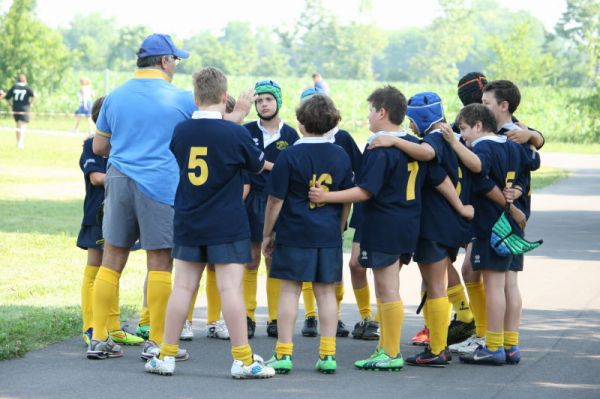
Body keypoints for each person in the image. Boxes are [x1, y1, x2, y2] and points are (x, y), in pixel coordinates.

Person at [144, 66, 274, 378]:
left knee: (183, 288)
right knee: (230, 288)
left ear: (195, 96)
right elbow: (256, 165)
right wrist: (239, 117)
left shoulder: (182, 131)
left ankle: (166, 354)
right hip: (226, 223)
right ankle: (242, 358)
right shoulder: (235, 132)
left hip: (189, 219)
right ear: (225, 96)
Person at [309, 85, 426, 371]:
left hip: (385, 223)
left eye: (371, 110)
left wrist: (327, 197)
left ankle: (391, 351)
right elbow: (430, 156)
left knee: (387, 290)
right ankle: (386, 347)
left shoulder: (379, 146)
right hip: (407, 221)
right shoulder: (412, 143)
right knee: (389, 289)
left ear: (382, 112)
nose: (368, 116)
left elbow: (364, 191)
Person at [441, 103, 539, 365]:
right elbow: (528, 171)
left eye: (464, 129)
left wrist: (453, 143)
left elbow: (477, 167)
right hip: (513, 224)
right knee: (510, 285)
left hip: (491, 225)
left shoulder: (483, 146)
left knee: (494, 286)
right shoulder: (512, 145)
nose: (463, 135)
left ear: (478, 125)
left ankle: (493, 346)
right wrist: (516, 193)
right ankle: (511, 345)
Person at [262, 94, 353, 374]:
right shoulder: (340, 154)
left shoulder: (290, 154)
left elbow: (275, 200)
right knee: (326, 293)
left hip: (294, 232)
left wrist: (267, 234)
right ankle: (327, 354)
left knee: (289, 292)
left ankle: (284, 354)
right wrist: (339, 226)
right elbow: (346, 199)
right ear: (330, 124)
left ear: (301, 124)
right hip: (327, 232)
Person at [296, 87, 367, 340]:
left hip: (333, 215)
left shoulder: (343, 140)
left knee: (330, 272)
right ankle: (311, 315)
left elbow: (355, 178)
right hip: (307, 216)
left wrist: (343, 217)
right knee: (309, 270)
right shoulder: (299, 145)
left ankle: (334, 317)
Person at [77, 96, 144, 348]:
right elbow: (95, 177)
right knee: (95, 269)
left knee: (113, 270)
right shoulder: (90, 145)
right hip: (98, 215)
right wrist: (128, 177)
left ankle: (113, 327)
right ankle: (91, 326)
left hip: (120, 212)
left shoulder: (125, 146)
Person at [243, 80, 298, 338]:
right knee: (251, 259)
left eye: (268, 99)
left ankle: (275, 317)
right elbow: (247, 162)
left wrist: (265, 164)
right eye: (259, 100)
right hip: (251, 199)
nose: (263, 104)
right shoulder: (246, 131)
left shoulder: (291, 135)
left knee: (273, 258)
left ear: (278, 101)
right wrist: (273, 166)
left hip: (279, 201)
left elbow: (296, 169)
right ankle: (247, 315)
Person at [4, 74, 35, 148]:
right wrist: (30, 103)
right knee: (22, 125)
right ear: (25, 80)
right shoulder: (27, 87)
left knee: (18, 125)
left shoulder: (14, 87)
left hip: (15, 108)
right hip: (24, 108)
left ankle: (18, 142)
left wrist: (10, 104)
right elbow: (34, 95)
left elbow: (7, 97)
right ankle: (20, 142)